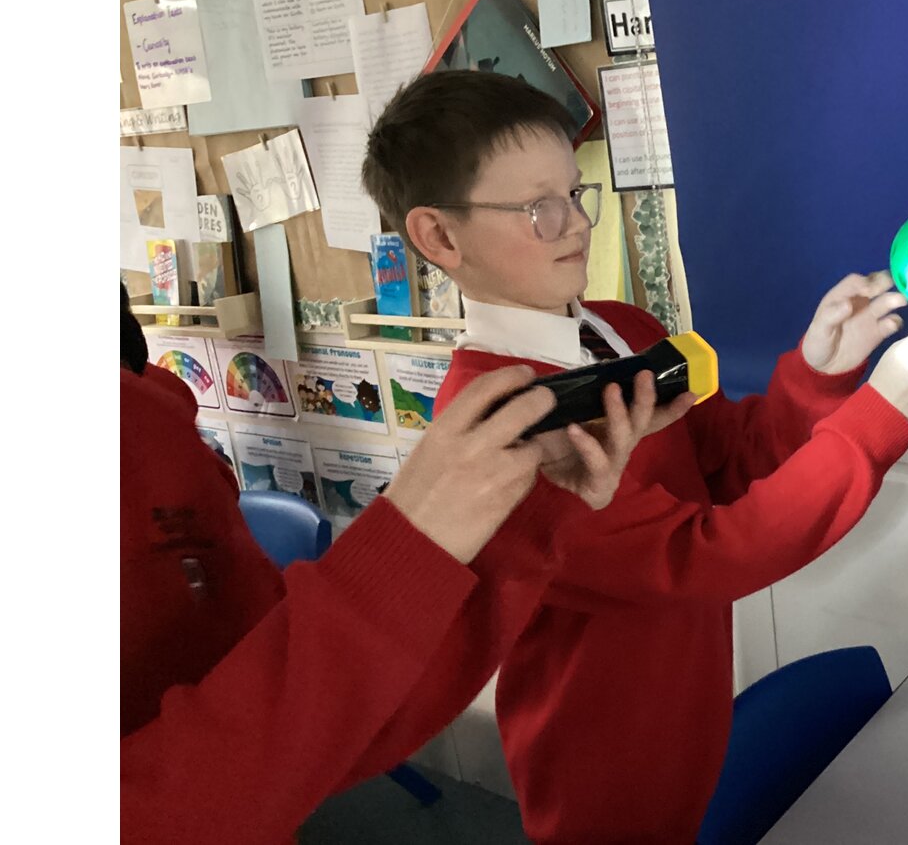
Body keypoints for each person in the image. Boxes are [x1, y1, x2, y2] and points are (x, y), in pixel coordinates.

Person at [361, 70, 908, 842]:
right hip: (599, 760)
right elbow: (703, 555)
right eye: (538, 209)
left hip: (690, 712)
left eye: (575, 194)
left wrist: (819, 371)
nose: (576, 225)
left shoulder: (624, 328)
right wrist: (877, 417)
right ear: (441, 237)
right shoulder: (495, 425)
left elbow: (727, 459)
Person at [119, 289, 685, 844]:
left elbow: (308, 727)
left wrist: (527, 513)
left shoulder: (152, 417)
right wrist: (403, 549)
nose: (571, 237)